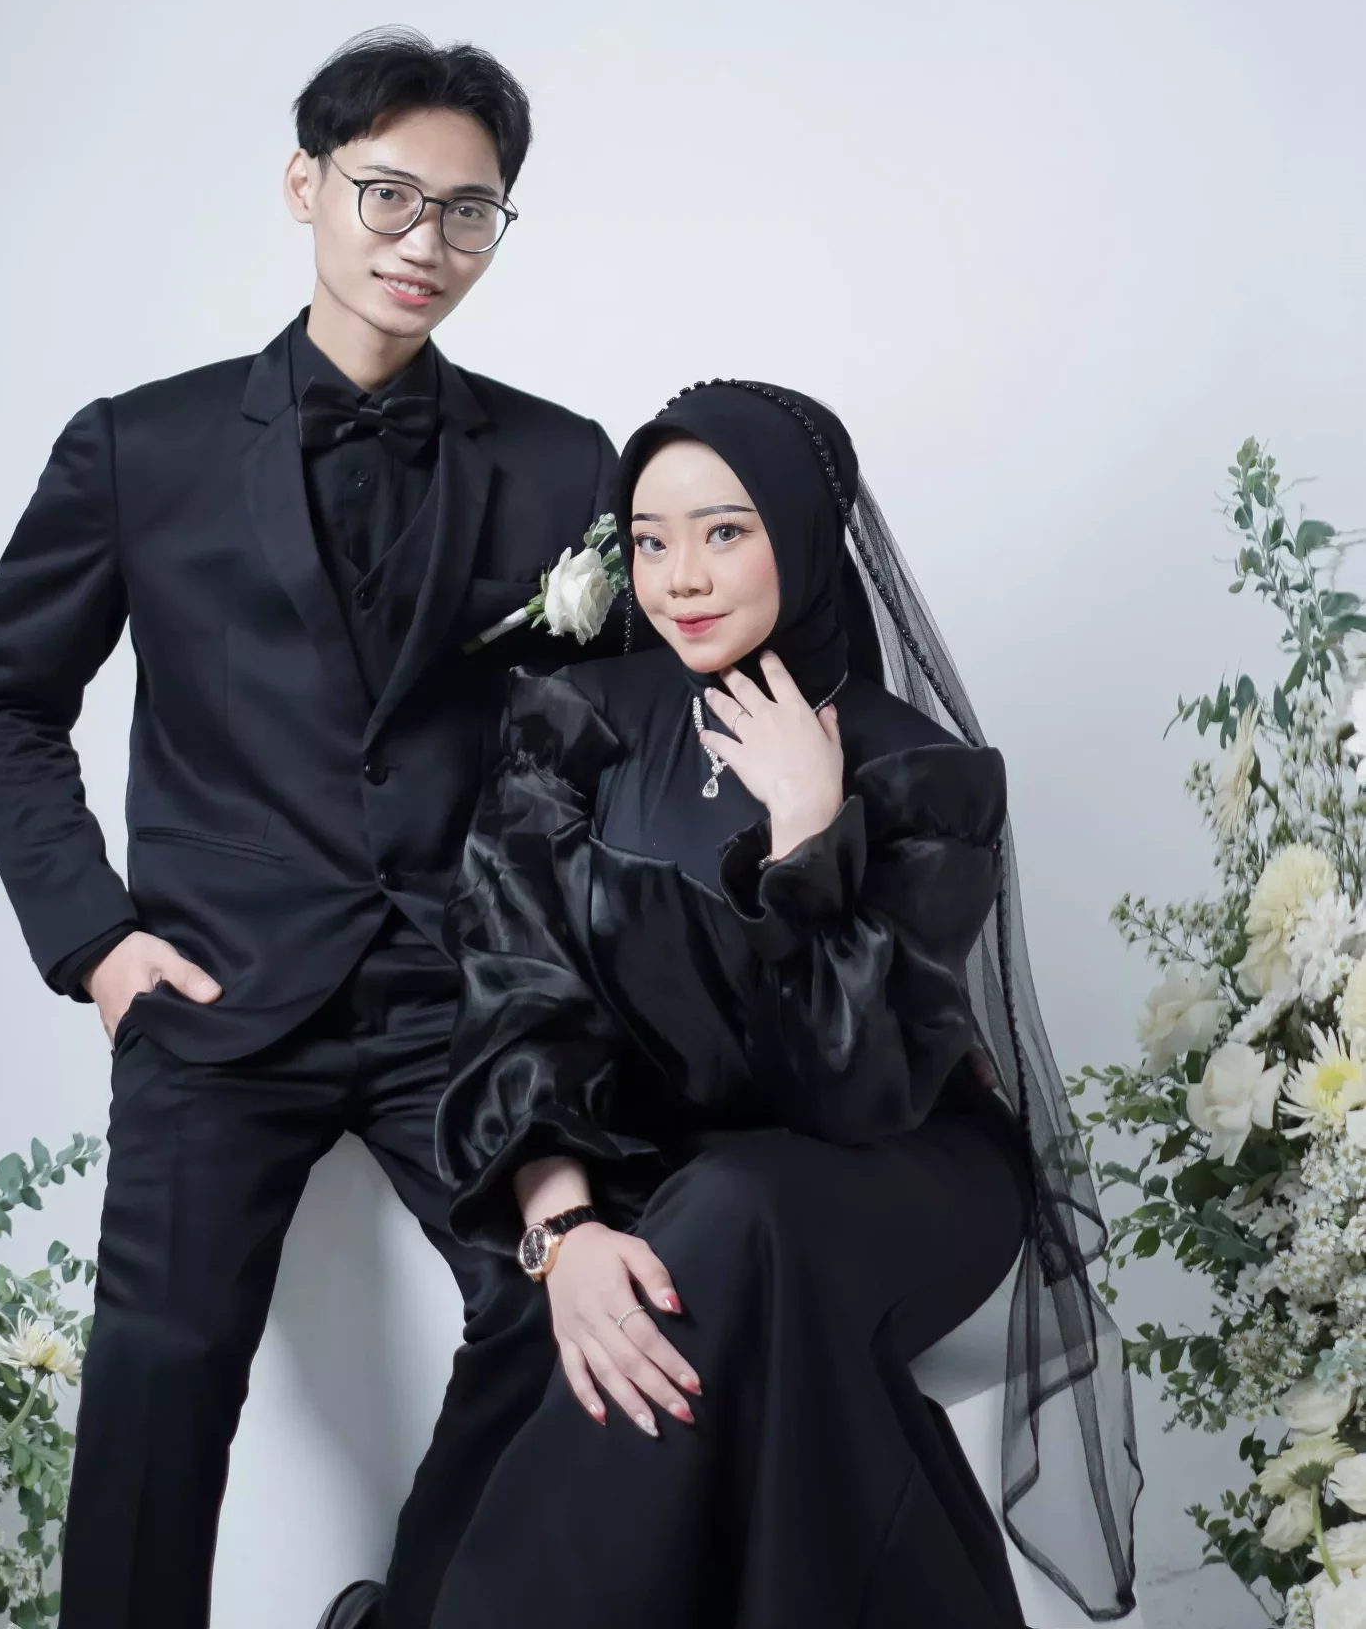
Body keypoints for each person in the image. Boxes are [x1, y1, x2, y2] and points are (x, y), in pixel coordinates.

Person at [0, 30, 619, 1629]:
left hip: (459, 1000)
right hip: (216, 990)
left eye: (469, 211)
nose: (423, 242)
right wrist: (98, 944)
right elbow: (4, 706)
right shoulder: (142, 446)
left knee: (564, 1317)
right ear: (303, 184)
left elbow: (601, 747)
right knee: (160, 1372)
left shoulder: (560, 462)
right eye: (388, 194)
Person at [432, 379, 1142, 1628]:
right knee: (718, 1246)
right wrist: (564, 1227)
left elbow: (853, 1090)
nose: (681, 578)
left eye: (724, 531)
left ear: (804, 534)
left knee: (739, 1209)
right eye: (650, 540)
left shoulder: (921, 772)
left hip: (905, 1172)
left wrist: (809, 832)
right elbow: (519, 995)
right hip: (676, 1184)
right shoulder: (577, 728)